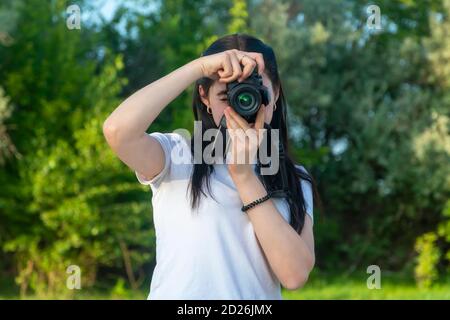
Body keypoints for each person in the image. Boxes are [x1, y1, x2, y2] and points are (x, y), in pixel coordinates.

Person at [103, 33, 317, 300]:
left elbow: (295, 275)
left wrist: (244, 177)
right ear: (204, 97)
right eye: (227, 96)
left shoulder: (294, 178)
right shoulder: (177, 156)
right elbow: (116, 131)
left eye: (255, 91)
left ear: (275, 94)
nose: (242, 105)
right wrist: (199, 68)